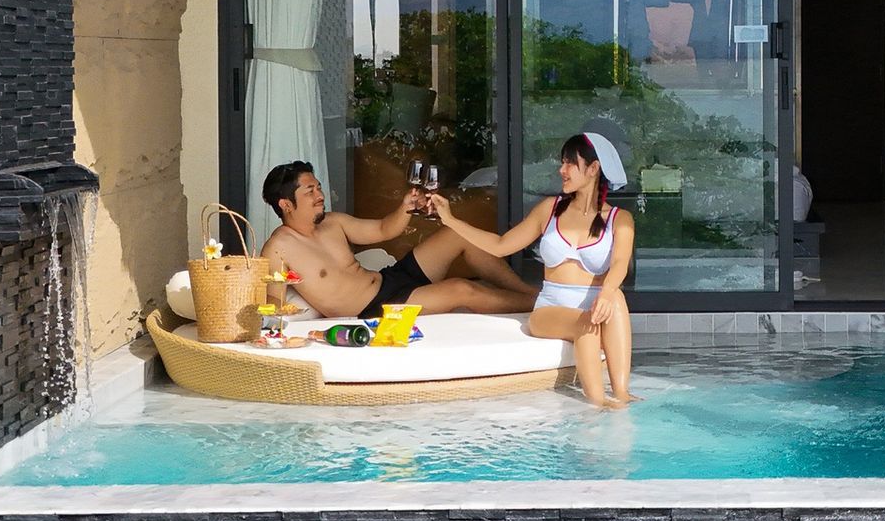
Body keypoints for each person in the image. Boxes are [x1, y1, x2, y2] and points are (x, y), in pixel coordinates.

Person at [426, 131, 636, 409]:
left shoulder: (620, 220)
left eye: (570, 163)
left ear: (594, 168)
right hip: (551, 309)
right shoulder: (549, 210)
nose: (562, 170)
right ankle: (598, 403)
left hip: (599, 302)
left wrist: (608, 293)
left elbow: (620, 263)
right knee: (587, 323)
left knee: (616, 298)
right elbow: (501, 246)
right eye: (562, 162)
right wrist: (451, 221)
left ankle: (622, 394)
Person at [258, 161, 536, 321]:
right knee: (461, 289)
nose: (320, 194)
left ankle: (528, 293)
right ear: (286, 204)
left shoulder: (333, 222)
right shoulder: (278, 249)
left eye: (318, 187)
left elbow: (382, 230)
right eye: (310, 191)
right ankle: (542, 306)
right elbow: (273, 308)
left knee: (455, 235)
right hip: (377, 308)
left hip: (388, 280)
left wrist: (405, 206)